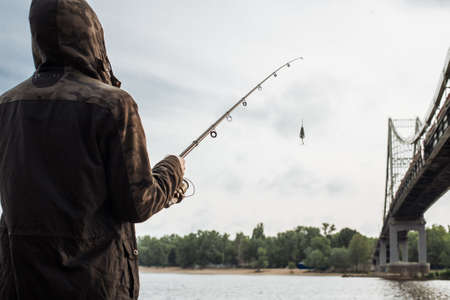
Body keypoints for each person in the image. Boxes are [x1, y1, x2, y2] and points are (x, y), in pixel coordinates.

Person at [0, 0, 186, 299]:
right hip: (97, 287)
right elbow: (138, 203)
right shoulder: (114, 105)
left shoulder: (5, 106)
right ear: (92, 35)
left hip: (21, 286)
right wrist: (172, 170)